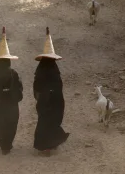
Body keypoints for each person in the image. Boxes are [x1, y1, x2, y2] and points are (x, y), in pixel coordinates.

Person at [33, 27, 69, 156]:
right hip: (52, 102)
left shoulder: (40, 70)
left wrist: (40, 97)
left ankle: (47, 145)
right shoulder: (54, 69)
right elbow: (58, 86)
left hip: (45, 102)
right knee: (51, 122)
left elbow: (36, 87)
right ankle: (47, 146)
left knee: (45, 122)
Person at [0, 27, 23, 155]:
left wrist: (0, 95)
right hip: (12, 105)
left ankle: (3, 143)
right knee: (11, 124)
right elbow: (19, 88)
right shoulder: (13, 73)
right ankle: (7, 145)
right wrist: (12, 95)